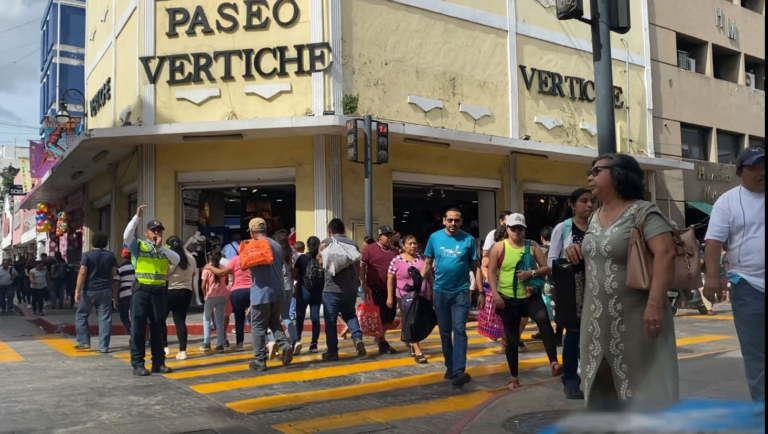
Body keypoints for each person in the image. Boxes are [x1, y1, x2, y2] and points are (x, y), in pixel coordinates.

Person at [566, 154, 678, 411]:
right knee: (601, 387)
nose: (590, 176)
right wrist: (576, 250)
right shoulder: (595, 216)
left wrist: (654, 305)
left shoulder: (643, 212)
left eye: (597, 171)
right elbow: (602, 249)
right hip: (596, 320)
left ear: (619, 174)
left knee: (641, 387)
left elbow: (665, 253)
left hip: (637, 318)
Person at [703, 146, 765, 402]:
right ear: (740, 172)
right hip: (749, 286)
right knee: (756, 353)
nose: (762, 172)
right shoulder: (727, 201)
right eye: (754, 167)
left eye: (765, 166)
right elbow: (713, 242)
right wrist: (713, 277)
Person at [487, 213, 561, 391]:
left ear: (524, 230)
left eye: (520, 228)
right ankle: (514, 376)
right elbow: (491, 272)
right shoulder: (499, 247)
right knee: (512, 339)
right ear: (507, 229)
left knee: (544, 323)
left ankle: (554, 362)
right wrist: (495, 295)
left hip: (530, 296)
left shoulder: (532, 245)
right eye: (514, 228)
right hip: (508, 298)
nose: (517, 231)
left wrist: (532, 273)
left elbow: (546, 268)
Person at [421, 208, 482, 388]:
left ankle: (459, 371)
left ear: (461, 222)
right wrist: (418, 283)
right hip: (440, 292)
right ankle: (450, 366)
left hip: (461, 293)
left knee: (460, 330)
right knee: (445, 332)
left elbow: (476, 267)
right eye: (450, 220)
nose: (453, 223)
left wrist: (481, 291)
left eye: (456, 220)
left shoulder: (468, 240)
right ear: (444, 221)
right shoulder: (435, 238)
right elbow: (427, 263)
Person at [546, 187, 595, 400]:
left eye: (592, 201)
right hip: (572, 291)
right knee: (573, 335)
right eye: (584, 201)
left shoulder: (598, 227)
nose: (589, 205)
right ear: (572, 204)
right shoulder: (563, 228)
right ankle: (571, 381)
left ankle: (594, 377)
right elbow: (551, 261)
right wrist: (569, 257)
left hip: (596, 287)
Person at [124, 205, 180, 376]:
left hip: (159, 292)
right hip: (141, 291)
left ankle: (158, 363)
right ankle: (138, 364)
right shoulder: (139, 246)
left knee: (158, 328)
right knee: (138, 328)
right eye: (153, 231)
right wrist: (136, 218)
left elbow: (176, 260)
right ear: (146, 233)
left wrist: (162, 247)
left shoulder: (165, 249)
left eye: (159, 231)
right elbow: (127, 236)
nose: (157, 233)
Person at [244, 218, 293, 371]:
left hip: (261, 292)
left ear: (252, 232)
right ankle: (285, 345)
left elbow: (244, 266)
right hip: (278, 291)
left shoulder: (252, 246)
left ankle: (260, 360)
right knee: (274, 321)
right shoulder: (277, 245)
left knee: (258, 327)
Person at [320, 218, 366, 361]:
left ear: (330, 231)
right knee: (350, 314)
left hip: (332, 287)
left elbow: (321, 262)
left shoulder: (326, 242)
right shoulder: (353, 244)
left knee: (331, 320)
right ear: (343, 230)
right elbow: (358, 265)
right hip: (350, 287)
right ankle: (357, 338)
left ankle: (332, 351)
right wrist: (358, 282)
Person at [387, 235, 433, 363]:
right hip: (405, 296)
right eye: (410, 243)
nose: (413, 246)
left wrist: (433, 289)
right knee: (411, 321)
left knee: (419, 321)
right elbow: (390, 279)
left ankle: (409, 340)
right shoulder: (396, 260)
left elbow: (429, 276)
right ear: (403, 246)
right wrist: (390, 297)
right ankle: (418, 351)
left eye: (415, 243)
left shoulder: (422, 258)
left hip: (423, 295)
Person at [74, 232, 118, 353]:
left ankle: (84, 343)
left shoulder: (87, 255)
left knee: (81, 315)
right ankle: (104, 346)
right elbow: (114, 273)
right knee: (105, 318)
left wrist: (77, 290)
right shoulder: (110, 256)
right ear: (106, 243)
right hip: (105, 290)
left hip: (88, 290)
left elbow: (82, 273)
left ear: (93, 242)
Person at [361, 225, 400, 354]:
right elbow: (362, 267)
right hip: (375, 288)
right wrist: (363, 284)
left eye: (390, 236)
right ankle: (382, 342)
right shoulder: (369, 249)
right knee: (381, 316)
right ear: (379, 237)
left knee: (390, 317)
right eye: (386, 236)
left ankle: (380, 337)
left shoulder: (395, 251)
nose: (389, 238)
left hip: (391, 289)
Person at [266, 231, 301, 357]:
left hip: (278, 287)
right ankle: (295, 340)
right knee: (286, 316)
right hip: (289, 286)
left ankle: (273, 343)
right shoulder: (291, 251)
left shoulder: (275, 251)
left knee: (273, 317)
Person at [163, 236, 196, 359]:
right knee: (180, 321)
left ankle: (165, 347)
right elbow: (193, 273)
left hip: (170, 291)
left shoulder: (170, 258)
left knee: (161, 319)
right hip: (186, 291)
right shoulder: (191, 258)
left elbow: (164, 273)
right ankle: (183, 351)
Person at [294, 236, 323, 353]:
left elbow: (294, 274)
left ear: (307, 245)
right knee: (315, 317)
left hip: (303, 289)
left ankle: (297, 340)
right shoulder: (321, 259)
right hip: (317, 291)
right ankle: (314, 342)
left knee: (300, 316)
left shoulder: (302, 259)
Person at [200, 249, 229, 352]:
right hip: (222, 296)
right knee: (219, 320)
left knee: (206, 319)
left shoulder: (206, 269)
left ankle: (207, 343)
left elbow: (203, 286)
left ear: (210, 258)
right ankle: (220, 344)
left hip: (211, 296)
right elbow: (226, 282)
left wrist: (205, 295)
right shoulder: (223, 268)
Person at [114, 249, 135, 340]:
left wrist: (115, 299)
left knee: (124, 315)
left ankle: (131, 332)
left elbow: (116, 284)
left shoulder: (119, 269)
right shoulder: (137, 267)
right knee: (135, 315)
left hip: (124, 295)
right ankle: (135, 332)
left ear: (122, 256)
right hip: (136, 293)